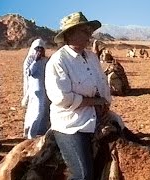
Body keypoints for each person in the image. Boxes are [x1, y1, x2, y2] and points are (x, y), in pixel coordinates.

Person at [45, 12, 133, 179]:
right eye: (85, 31)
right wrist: (95, 101)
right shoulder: (58, 61)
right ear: (70, 34)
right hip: (72, 123)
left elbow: (101, 84)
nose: (90, 35)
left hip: (99, 117)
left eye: (89, 31)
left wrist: (105, 104)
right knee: (84, 175)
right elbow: (61, 98)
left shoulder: (92, 57)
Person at [21, 39, 50, 139]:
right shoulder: (30, 60)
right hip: (36, 91)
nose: (40, 51)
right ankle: (31, 134)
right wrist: (35, 61)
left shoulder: (46, 60)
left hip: (45, 89)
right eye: (37, 49)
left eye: (41, 49)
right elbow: (29, 73)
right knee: (37, 111)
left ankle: (41, 131)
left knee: (44, 111)